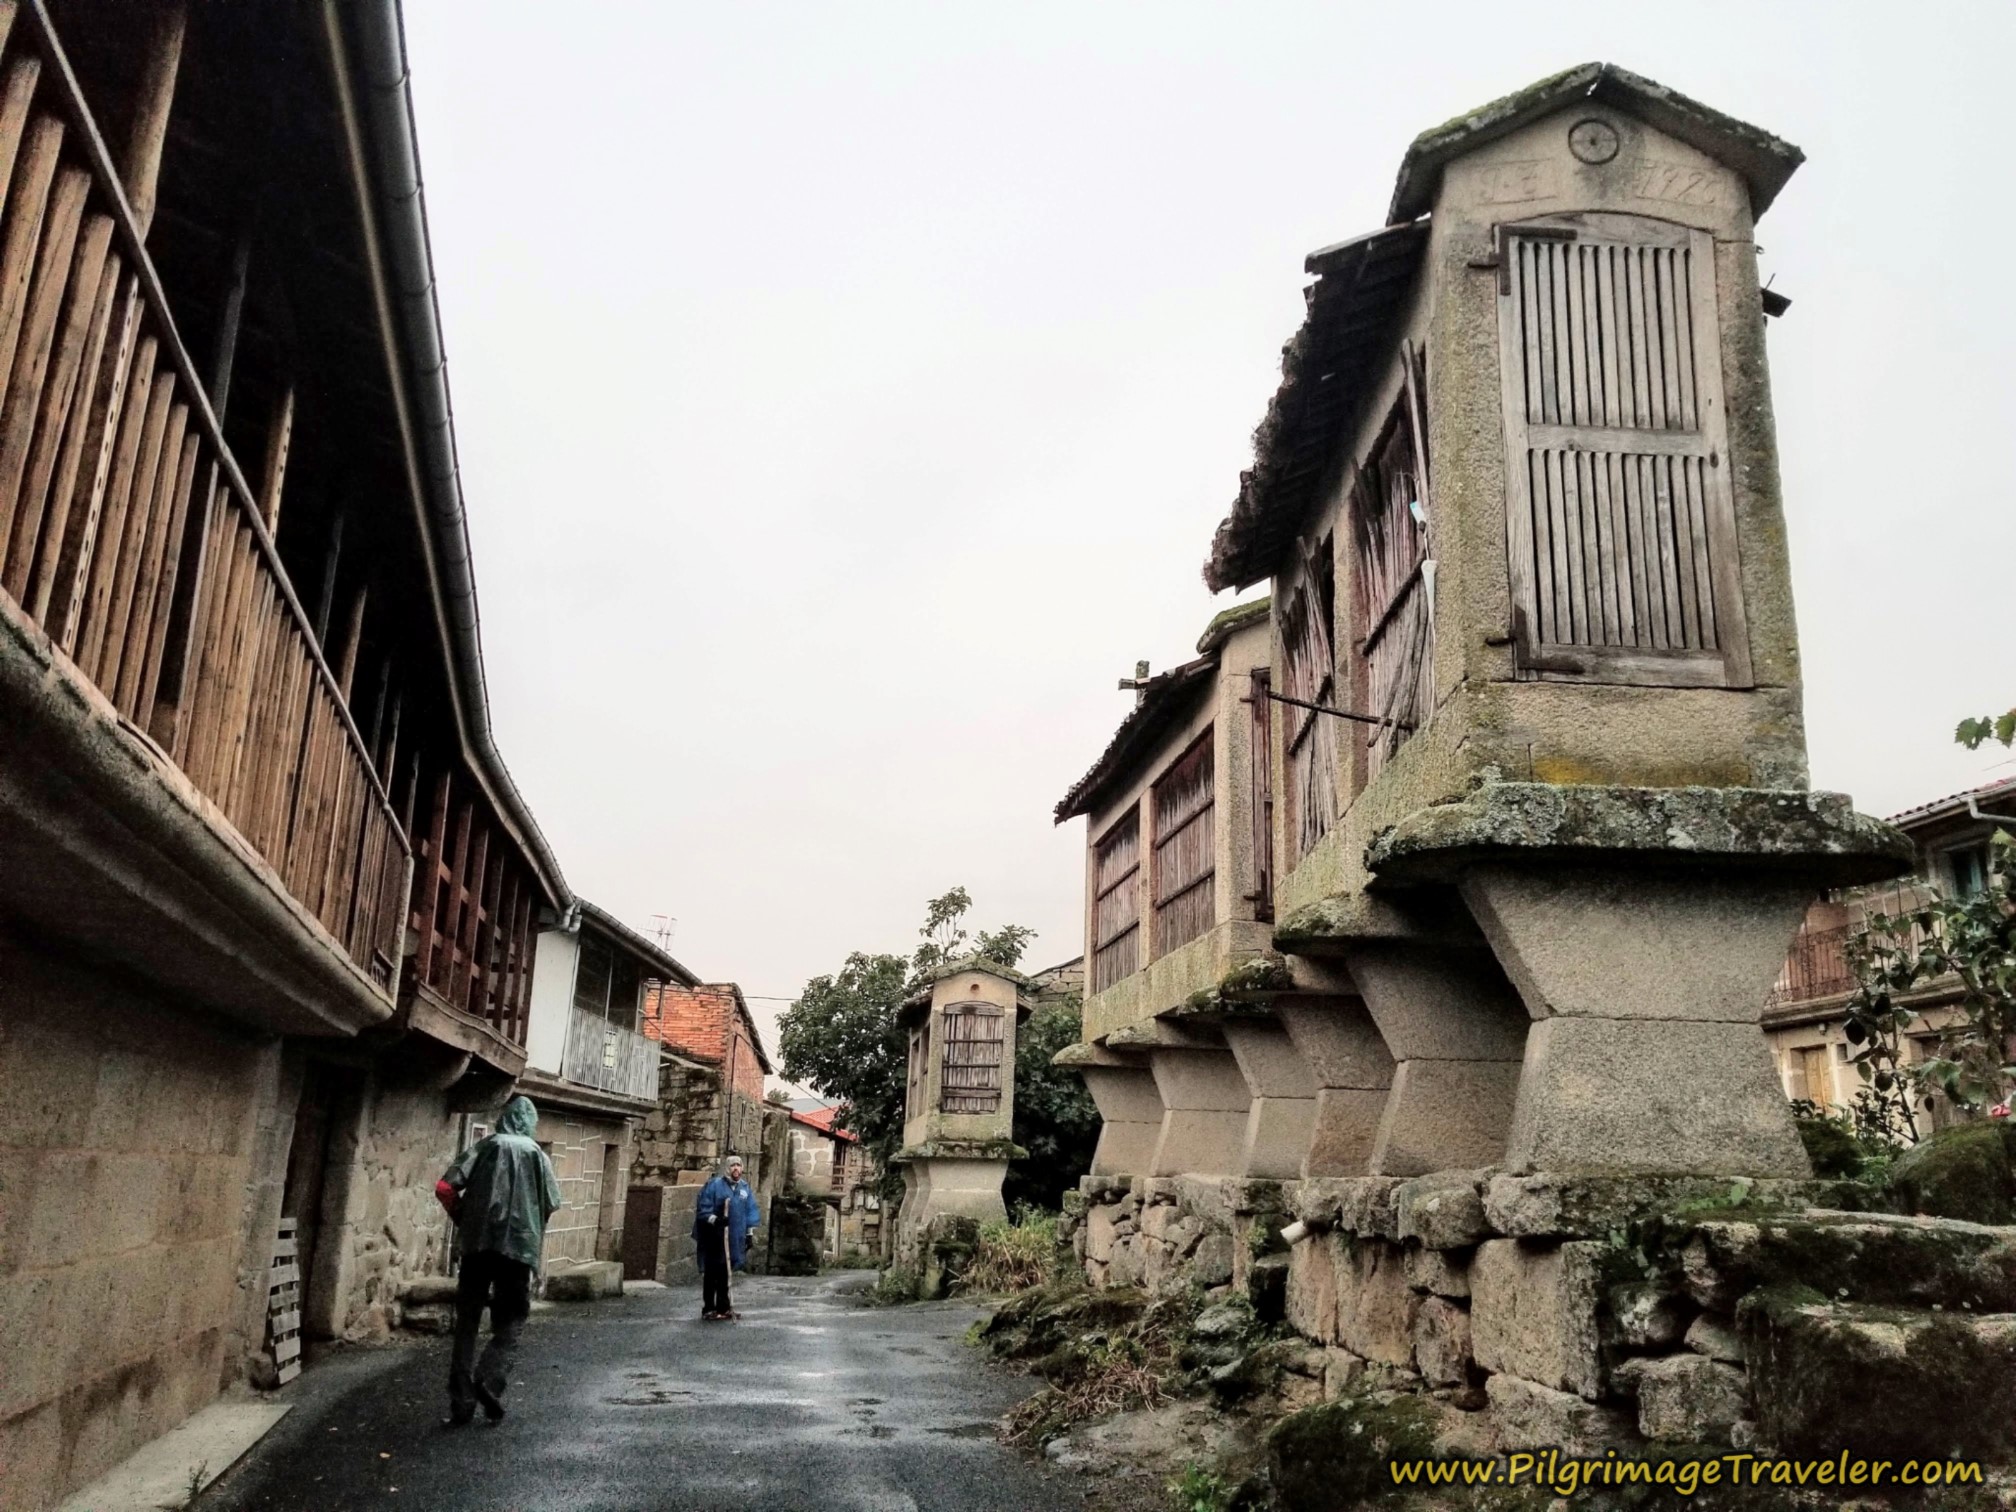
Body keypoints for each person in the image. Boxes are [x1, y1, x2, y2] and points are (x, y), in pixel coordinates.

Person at [434, 1095, 561, 1424]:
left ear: (504, 1119)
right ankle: (489, 1380)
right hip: (517, 1251)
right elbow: (550, 1203)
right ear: (530, 1124)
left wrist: (465, 1218)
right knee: (512, 1319)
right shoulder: (537, 1155)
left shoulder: (486, 1146)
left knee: (466, 1325)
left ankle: (461, 1404)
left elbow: (445, 1187)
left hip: (477, 1247)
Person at [693, 1154, 760, 1320]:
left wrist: (749, 1233)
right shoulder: (715, 1185)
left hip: (733, 1238)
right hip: (714, 1237)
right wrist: (716, 1220)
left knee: (725, 1272)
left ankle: (724, 1307)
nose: (736, 1168)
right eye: (732, 1165)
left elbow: (750, 1210)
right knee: (712, 1273)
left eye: (738, 1165)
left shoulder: (744, 1188)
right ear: (727, 1168)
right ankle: (709, 1308)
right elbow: (703, 1209)